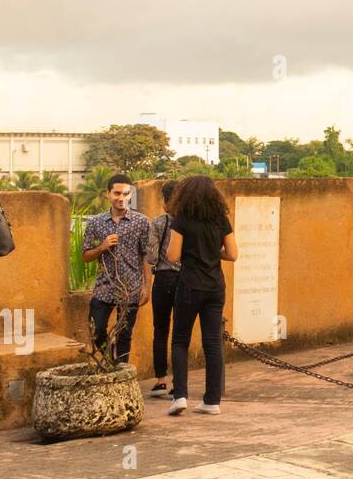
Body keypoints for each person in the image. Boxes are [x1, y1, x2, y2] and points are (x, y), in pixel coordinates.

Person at [165, 175, 237, 415]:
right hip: (215, 287)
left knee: (180, 341)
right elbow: (233, 254)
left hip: (189, 285)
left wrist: (190, 251)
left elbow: (172, 256)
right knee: (213, 344)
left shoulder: (182, 220)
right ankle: (212, 400)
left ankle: (180, 396)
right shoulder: (221, 220)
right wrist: (212, 253)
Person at [81, 174, 152, 364]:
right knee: (96, 330)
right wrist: (102, 247)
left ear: (131, 195)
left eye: (126, 194)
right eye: (117, 193)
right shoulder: (95, 222)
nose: (121, 198)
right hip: (104, 287)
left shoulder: (142, 222)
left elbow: (147, 256)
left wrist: (147, 287)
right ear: (108, 194)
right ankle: (109, 360)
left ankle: (120, 372)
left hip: (131, 288)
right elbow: (86, 256)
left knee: (125, 334)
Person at [143, 180, 180, 399]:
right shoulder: (189, 224)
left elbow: (151, 257)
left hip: (163, 279)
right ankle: (179, 382)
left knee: (161, 330)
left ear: (165, 201)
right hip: (184, 280)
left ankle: (160, 381)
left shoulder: (159, 223)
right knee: (180, 333)